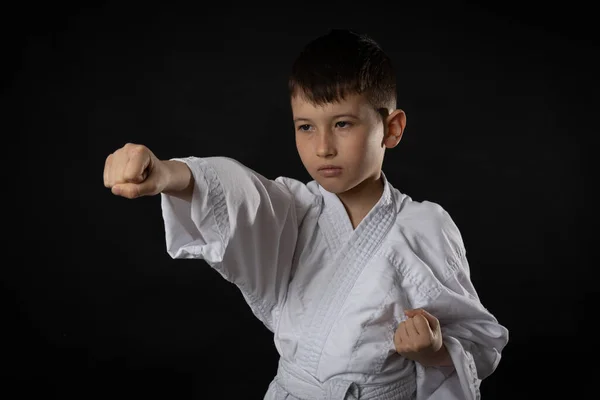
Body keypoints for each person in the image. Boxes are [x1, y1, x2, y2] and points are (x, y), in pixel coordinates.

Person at [103, 29, 509, 400]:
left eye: (343, 124)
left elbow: (481, 345)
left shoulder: (424, 226)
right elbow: (240, 193)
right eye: (306, 127)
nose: (323, 148)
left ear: (392, 128)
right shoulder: (295, 208)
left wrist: (436, 350)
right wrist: (169, 172)